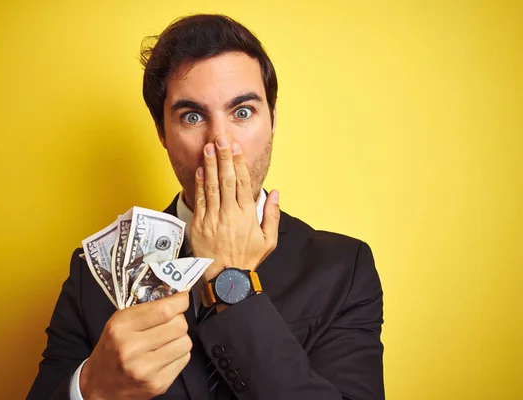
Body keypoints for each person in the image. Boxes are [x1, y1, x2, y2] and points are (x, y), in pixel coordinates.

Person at [28, 14, 384, 400]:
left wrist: (233, 283)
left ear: (273, 120)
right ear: (162, 133)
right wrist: (91, 386)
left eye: (242, 112)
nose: (220, 142)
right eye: (192, 116)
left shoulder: (343, 268)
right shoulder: (90, 275)